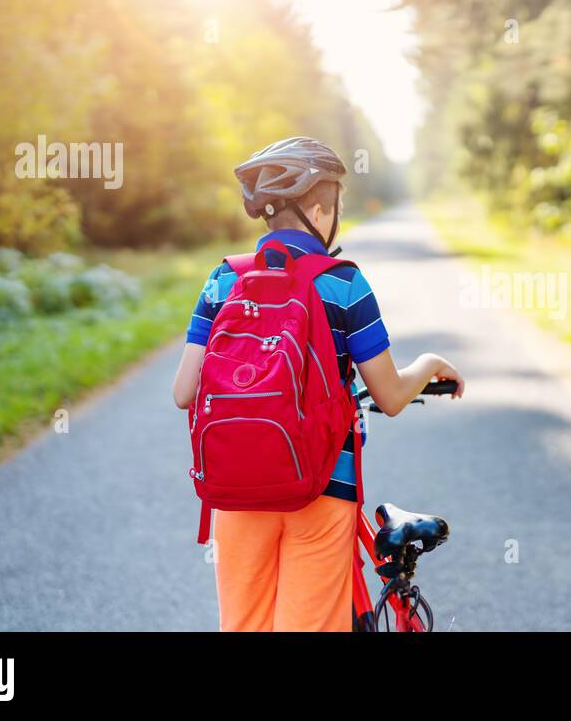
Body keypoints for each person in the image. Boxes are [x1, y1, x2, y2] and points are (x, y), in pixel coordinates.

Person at [170, 136, 464, 631]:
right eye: (337, 206)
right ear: (318, 208)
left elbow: (184, 393)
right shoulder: (343, 282)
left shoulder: (222, 279)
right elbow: (390, 395)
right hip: (321, 487)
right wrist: (430, 362)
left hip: (235, 492)